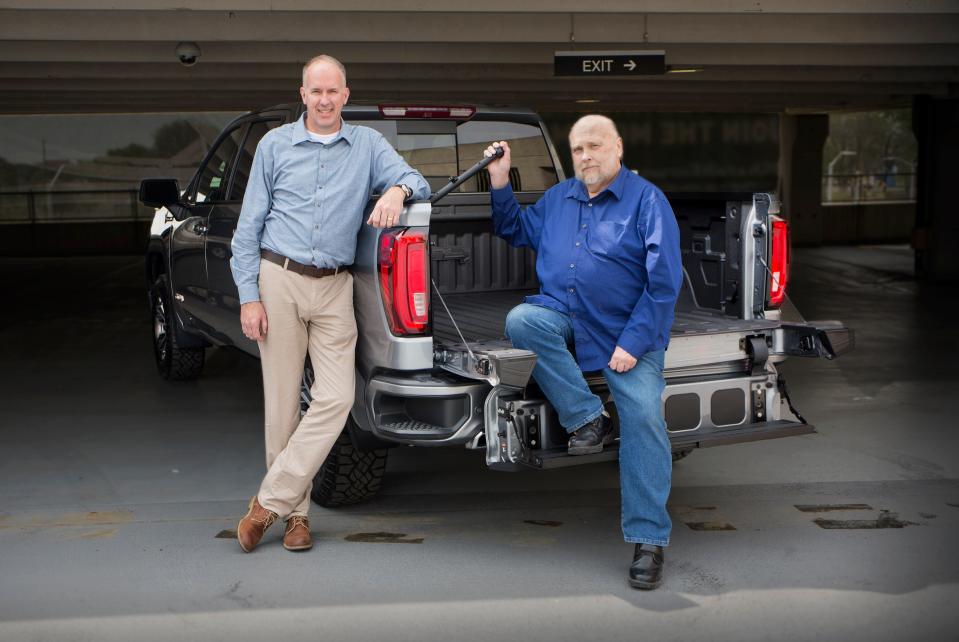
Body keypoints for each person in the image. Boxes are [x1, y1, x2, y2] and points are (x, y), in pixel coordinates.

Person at [229, 54, 429, 553]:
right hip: (280, 278)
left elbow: (418, 179)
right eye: (315, 91)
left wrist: (397, 191)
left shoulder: (367, 145)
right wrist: (249, 297)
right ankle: (297, 519)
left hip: (336, 287)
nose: (324, 99)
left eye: (332, 91)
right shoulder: (274, 146)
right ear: (303, 95)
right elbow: (247, 230)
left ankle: (267, 503)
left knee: (338, 398)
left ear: (345, 94)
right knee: (281, 408)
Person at [484, 115, 682, 589]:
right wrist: (498, 178)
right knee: (522, 321)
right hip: (566, 315)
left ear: (617, 146)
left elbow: (663, 284)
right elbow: (512, 228)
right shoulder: (558, 198)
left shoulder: (647, 201)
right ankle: (587, 418)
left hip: (624, 330)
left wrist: (633, 345)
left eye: (595, 145)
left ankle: (649, 540)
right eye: (577, 149)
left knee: (643, 417)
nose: (586, 156)